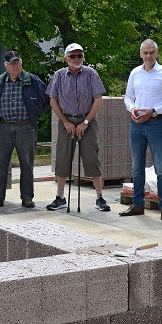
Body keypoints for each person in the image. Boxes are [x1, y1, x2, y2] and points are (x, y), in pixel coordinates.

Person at [0, 49, 50, 209]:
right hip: (3, 127)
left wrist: (36, 113)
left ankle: (27, 198)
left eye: (17, 62)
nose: (15, 66)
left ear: (21, 63)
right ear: (6, 66)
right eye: (12, 64)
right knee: (0, 164)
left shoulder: (32, 80)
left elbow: (47, 99)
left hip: (26, 127)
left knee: (27, 164)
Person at [45, 43, 111, 212]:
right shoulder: (59, 75)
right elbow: (53, 100)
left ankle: (99, 197)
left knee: (91, 157)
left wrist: (86, 122)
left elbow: (98, 100)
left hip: (86, 120)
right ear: (66, 58)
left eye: (79, 56)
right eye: (73, 56)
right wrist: (65, 122)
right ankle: (60, 197)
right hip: (66, 120)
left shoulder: (91, 74)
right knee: (62, 157)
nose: (76, 59)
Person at [121, 39, 162, 221]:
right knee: (137, 167)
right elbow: (128, 97)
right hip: (136, 124)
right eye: (145, 53)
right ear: (140, 54)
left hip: (155, 123)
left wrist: (154, 111)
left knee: (161, 168)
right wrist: (132, 109)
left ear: (157, 53)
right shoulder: (135, 73)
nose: (148, 56)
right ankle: (138, 204)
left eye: (151, 53)